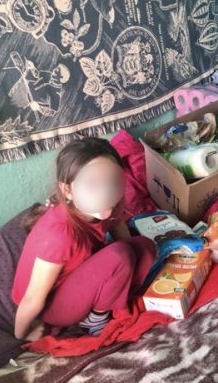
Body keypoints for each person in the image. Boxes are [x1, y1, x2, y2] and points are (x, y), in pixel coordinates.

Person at [12, 138, 156, 341]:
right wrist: (21, 334)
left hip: (80, 274)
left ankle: (112, 297)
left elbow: (122, 234)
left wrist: (129, 264)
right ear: (67, 190)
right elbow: (32, 298)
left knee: (145, 247)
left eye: (113, 181)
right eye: (92, 184)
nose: (105, 193)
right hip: (53, 305)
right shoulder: (59, 235)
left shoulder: (108, 202)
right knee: (120, 255)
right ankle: (95, 318)